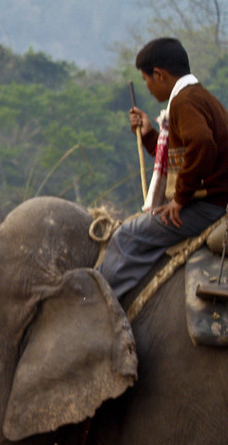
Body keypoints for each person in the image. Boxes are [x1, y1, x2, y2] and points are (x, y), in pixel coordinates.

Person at [99, 37, 228, 301]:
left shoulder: (183, 102)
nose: (147, 88)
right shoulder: (200, 96)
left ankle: (102, 306)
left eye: (146, 80)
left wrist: (179, 200)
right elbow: (183, 158)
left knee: (126, 236)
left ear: (159, 75)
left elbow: (202, 145)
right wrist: (149, 136)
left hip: (207, 207)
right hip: (213, 202)